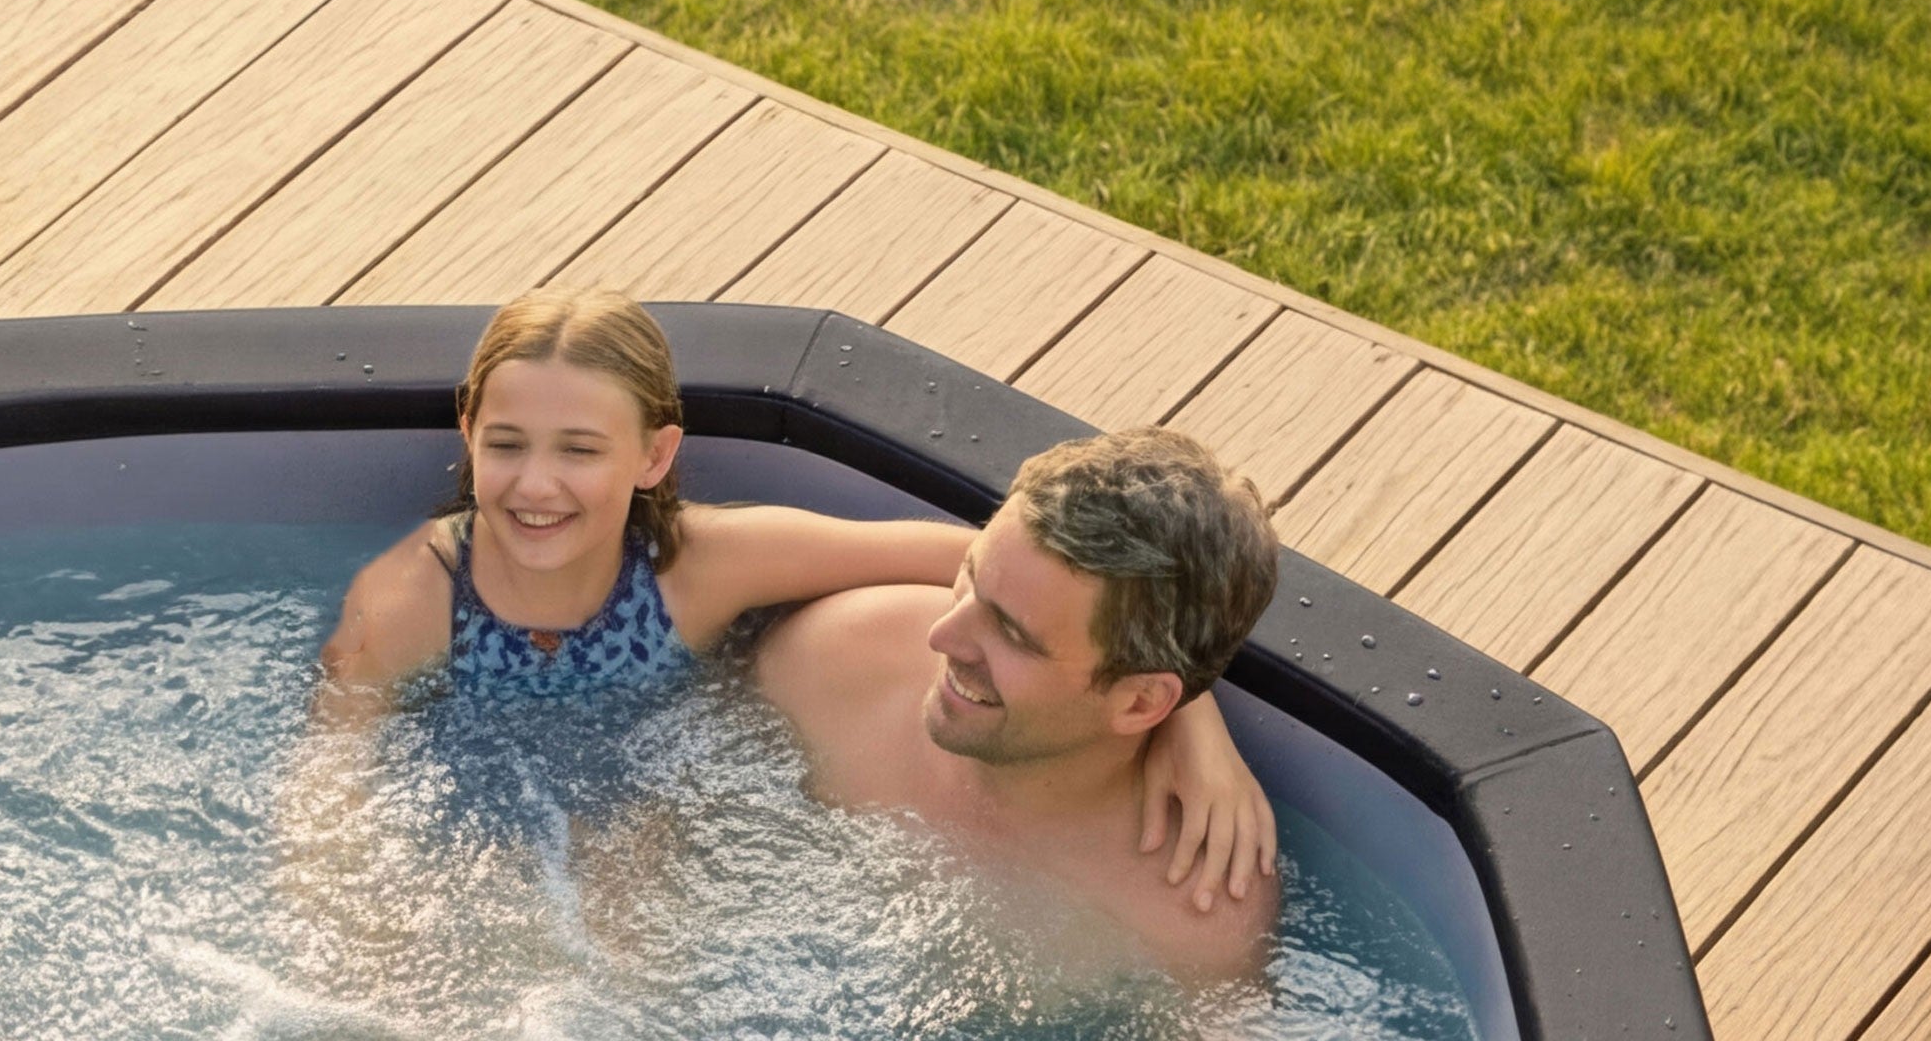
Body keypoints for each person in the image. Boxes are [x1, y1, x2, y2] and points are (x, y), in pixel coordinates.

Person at [320, 285, 1274, 902]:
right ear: (469, 428)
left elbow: (1003, 567)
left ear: (655, 455)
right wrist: (342, 896)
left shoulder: (708, 567)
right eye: (508, 444)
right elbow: (334, 761)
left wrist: (1195, 721)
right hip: (463, 793)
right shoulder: (412, 599)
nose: (537, 486)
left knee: (627, 912)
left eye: (580, 451)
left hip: (653, 791)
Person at [750, 423, 1286, 982]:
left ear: (1140, 704)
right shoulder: (834, 663)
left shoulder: (1190, 919)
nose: (943, 637)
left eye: (1011, 633)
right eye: (970, 577)